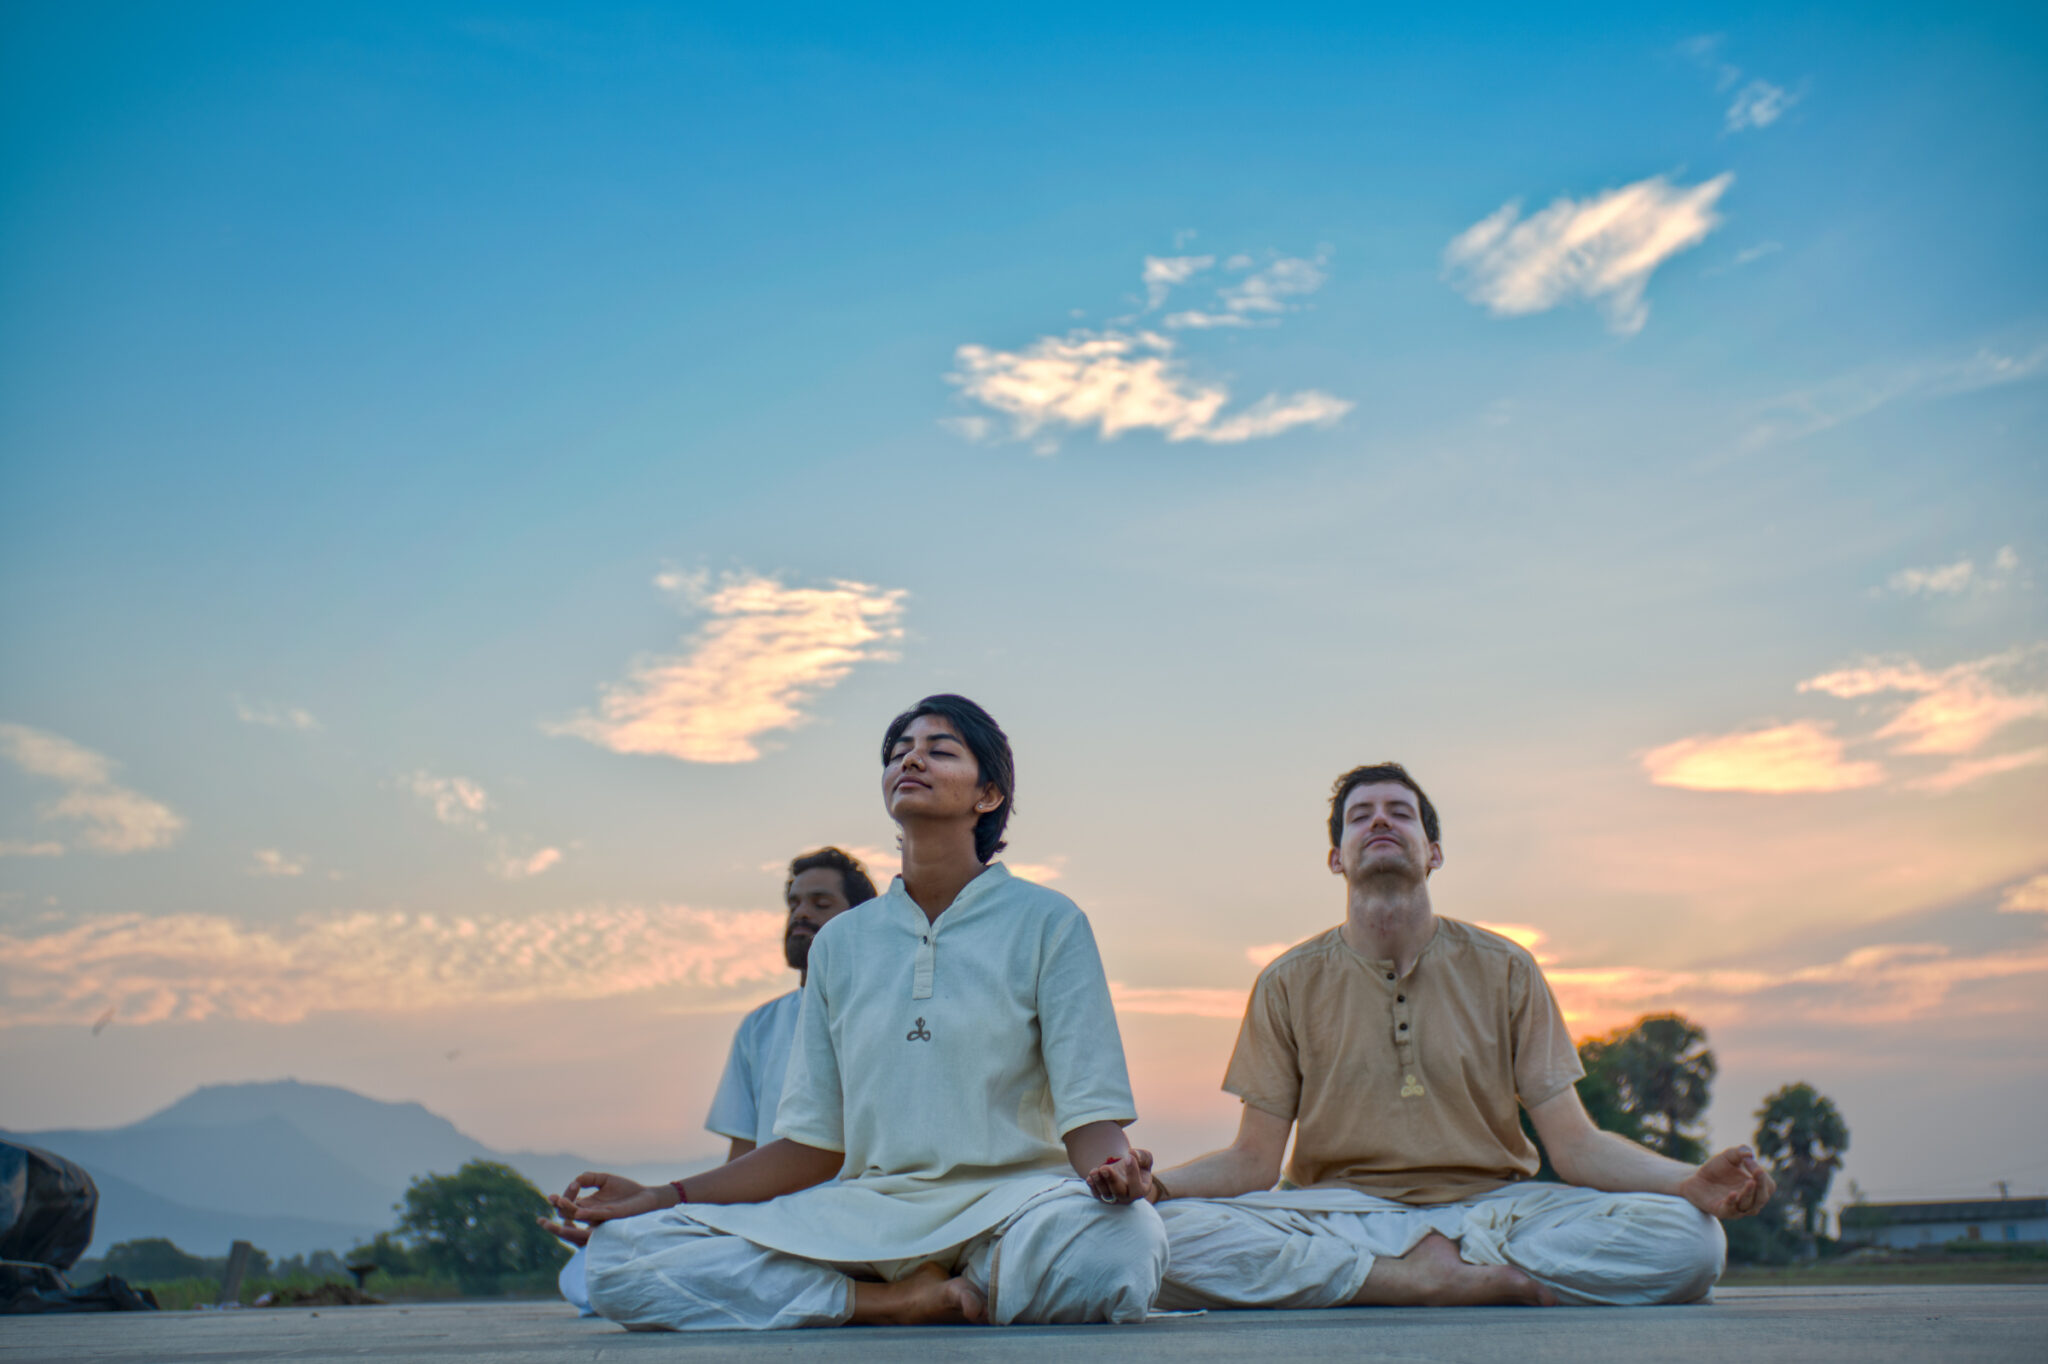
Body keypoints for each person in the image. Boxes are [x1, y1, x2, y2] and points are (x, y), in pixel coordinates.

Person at [542, 695, 1167, 1330]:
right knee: (621, 1259)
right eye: (899, 753)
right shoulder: (844, 942)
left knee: (1126, 1245)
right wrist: (660, 1197)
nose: (912, 759)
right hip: (866, 1213)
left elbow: (1090, 1119)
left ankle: (963, 1284)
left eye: (938, 749)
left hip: (1009, 1207)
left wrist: (1116, 1172)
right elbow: (811, 1148)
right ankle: (898, 1300)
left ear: (987, 795)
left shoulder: (1049, 921)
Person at [1144, 762, 1775, 1310]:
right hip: (1340, 1216)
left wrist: (1687, 1182)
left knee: (1692, 1242)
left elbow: (1575, 1146)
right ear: (1337, 857)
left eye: (1401, 813)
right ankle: (1409, 1281)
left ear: (1433, 852)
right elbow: (1254, 1162)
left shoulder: (1506, 968)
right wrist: (1156, 1188)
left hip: (1495, 1214)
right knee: (1158, 1237)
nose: (1380, 821)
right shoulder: (1287, 982)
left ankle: (1402, 1278)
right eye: (1360, 816)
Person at [558, 847, 877, 1315]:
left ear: (860, 922)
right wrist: (649, 1213)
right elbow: (740, 1166)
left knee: (634, 1269)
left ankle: (881, 1299)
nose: (801, 914)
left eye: (820, 904)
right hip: (765, 1222)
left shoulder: (877, 1015)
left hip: (851, 1220)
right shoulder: (759, 1027)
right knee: (606, 1260)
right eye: (793, 904)